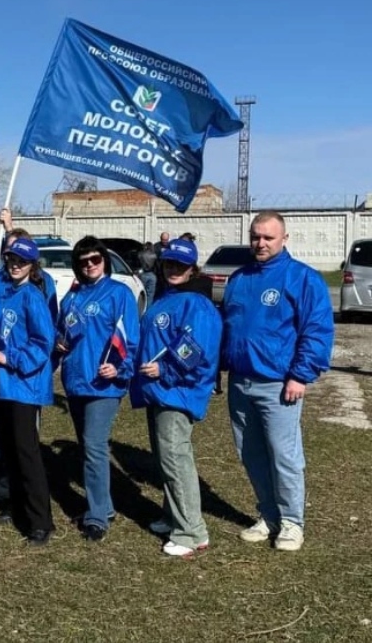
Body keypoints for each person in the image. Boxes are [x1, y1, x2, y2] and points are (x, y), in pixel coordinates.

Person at [222, 211, 333, 552]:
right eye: (255, 236)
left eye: (268, 237)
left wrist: (300, 375)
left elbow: (317, 330)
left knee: (284, 456)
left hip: (279, 384)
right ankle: (269, 515)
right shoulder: (239, 278)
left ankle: (292, 523)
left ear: (284, 238)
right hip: (241, 382)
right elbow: (230, 326)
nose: (261, 243)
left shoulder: (302, 278)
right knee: (251, 454)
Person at [130, 238, 222, 557]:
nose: (174, 269)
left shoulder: (196, 303)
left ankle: (191, 531)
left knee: (175, 458)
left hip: (177, 391)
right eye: (169, 263)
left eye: (181, 265)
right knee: (164, 459)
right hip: (157, 390)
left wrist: (165, 369)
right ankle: (173, 516)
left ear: (192, 268)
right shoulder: (166, 297)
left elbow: (195, 349)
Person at [56, 235, 140, 542]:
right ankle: (103, 506)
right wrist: (59, 341)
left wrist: (120, 367)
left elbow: (130, 337)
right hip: (76, 381)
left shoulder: (119, 293)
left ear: (104, 261)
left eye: (95, 259)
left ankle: (96, 517)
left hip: (104, 384)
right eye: (83, 261)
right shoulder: (72, 297)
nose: (90, 265)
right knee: (88, 448)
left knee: (93, 445)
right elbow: (62, 329)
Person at [0, 237, 56, 545]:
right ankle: (18, 506)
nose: (15, 266)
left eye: (22, 262)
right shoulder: (6, 293)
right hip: (3, 385)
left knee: (27, 453)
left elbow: (42, 343)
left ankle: (41, 522)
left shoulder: (32, 296)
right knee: (10, 450)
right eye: (12, 260)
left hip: (24, 387)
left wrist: (10, 358)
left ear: (32, 265)